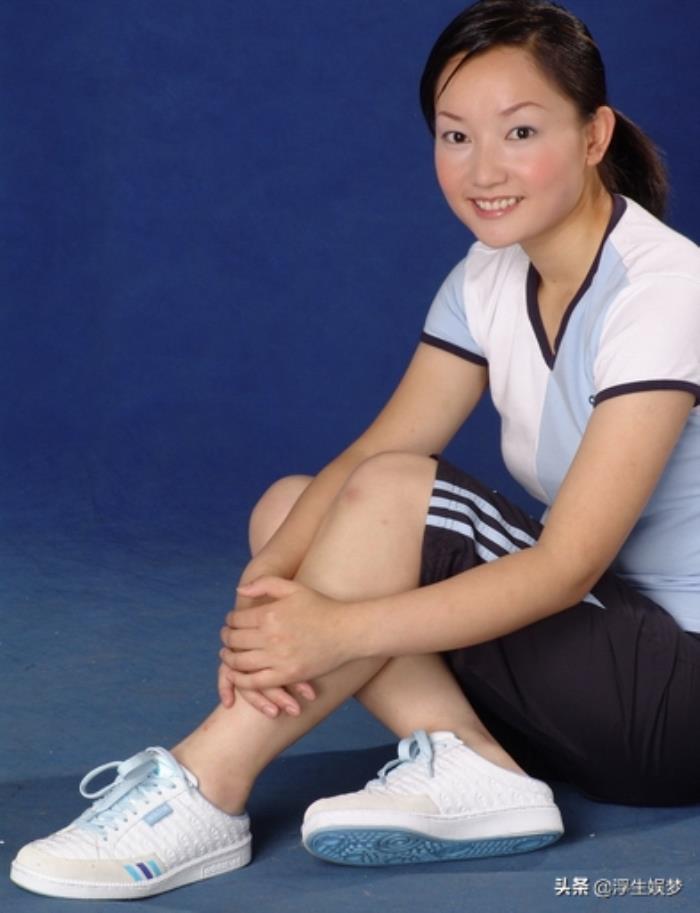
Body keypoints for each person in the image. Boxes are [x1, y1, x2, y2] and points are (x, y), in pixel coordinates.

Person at [11, 0, 700, 900]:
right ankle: (473, 761)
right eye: (455, 136)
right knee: (293, 508)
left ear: (594, 134)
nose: (483, 170)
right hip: (595, 674)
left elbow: (567, 566)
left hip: (675, 700)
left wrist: (332, 630)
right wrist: (259, 607)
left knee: (389, 496)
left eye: (521, 131)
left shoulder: (664, 287)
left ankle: (208, 786)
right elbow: (376, 448)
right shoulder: (489, 274)